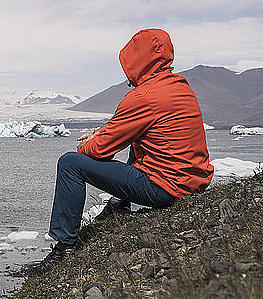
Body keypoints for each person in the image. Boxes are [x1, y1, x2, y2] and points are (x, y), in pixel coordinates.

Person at [23, 28, 213, 277]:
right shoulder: (179, 87)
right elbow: (133, 128)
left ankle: (63, 248)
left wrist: (86, 145)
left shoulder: (143, 96)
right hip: (193, 182)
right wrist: (102, 135)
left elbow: (101, 149)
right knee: (141, 140)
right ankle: (119, 204)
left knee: (70, 163)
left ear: (137, 59)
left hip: (166, 189)